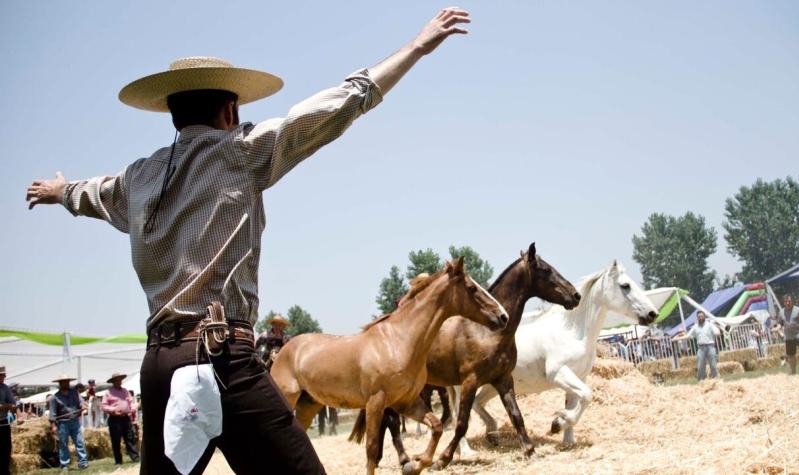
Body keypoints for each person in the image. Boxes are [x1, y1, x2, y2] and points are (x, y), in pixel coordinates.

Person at [26, 8, 472, 474]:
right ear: (231, 109)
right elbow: (342, 102)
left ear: (173, 115)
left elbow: (89, 193)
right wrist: (416, 47)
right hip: (221, 360)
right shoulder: (241, 151)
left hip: (159, 364)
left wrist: (59, 192)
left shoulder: (138, 178)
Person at [49, 375, 88, 471]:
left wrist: (83, 406)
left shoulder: (75, 392)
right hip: (62, 423)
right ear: (60, 383)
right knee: (63, 444)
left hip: (75, 421)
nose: (66, 383)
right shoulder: (55, 397)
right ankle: (64, 464)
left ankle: (83, 463)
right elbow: (52, 413)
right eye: (64, 382)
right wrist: (53, 426)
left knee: (79, 442)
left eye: (67, 381)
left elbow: (81, 402)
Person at [101, 373, 140, 465]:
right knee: (116, 440)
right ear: (113, 382)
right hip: (115, 418)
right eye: (117, 380)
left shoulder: (125, 391)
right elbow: (103, 406)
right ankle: (118, 460)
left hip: (125, 417)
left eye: (119, 380)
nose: (119, 382)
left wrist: (132, 409)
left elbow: (130, 402)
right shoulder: (108, 393)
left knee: (129, 438)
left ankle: (135, 457)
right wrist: (113, 410)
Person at [674, 311, 722, 381]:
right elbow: (688, 336)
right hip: (701, 348)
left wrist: (717, 333)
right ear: (697, 318)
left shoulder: (710, 325)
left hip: (710, 347)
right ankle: (702, 381)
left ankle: (715, 380)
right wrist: (676, 339)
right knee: (700, 366)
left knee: (713, 365)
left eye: (702, 316)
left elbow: (717, 332)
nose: (700, 318)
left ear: (704, 317)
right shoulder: (695, 327)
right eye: (699, 317)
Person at [0, 366, 17, 475]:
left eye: (4, 375)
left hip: (4, 423)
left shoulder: (5, 388)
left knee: (6, 450)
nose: (3, 377)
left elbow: (13, 405)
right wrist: (8, 406)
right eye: (1, 375)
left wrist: (5, 406)